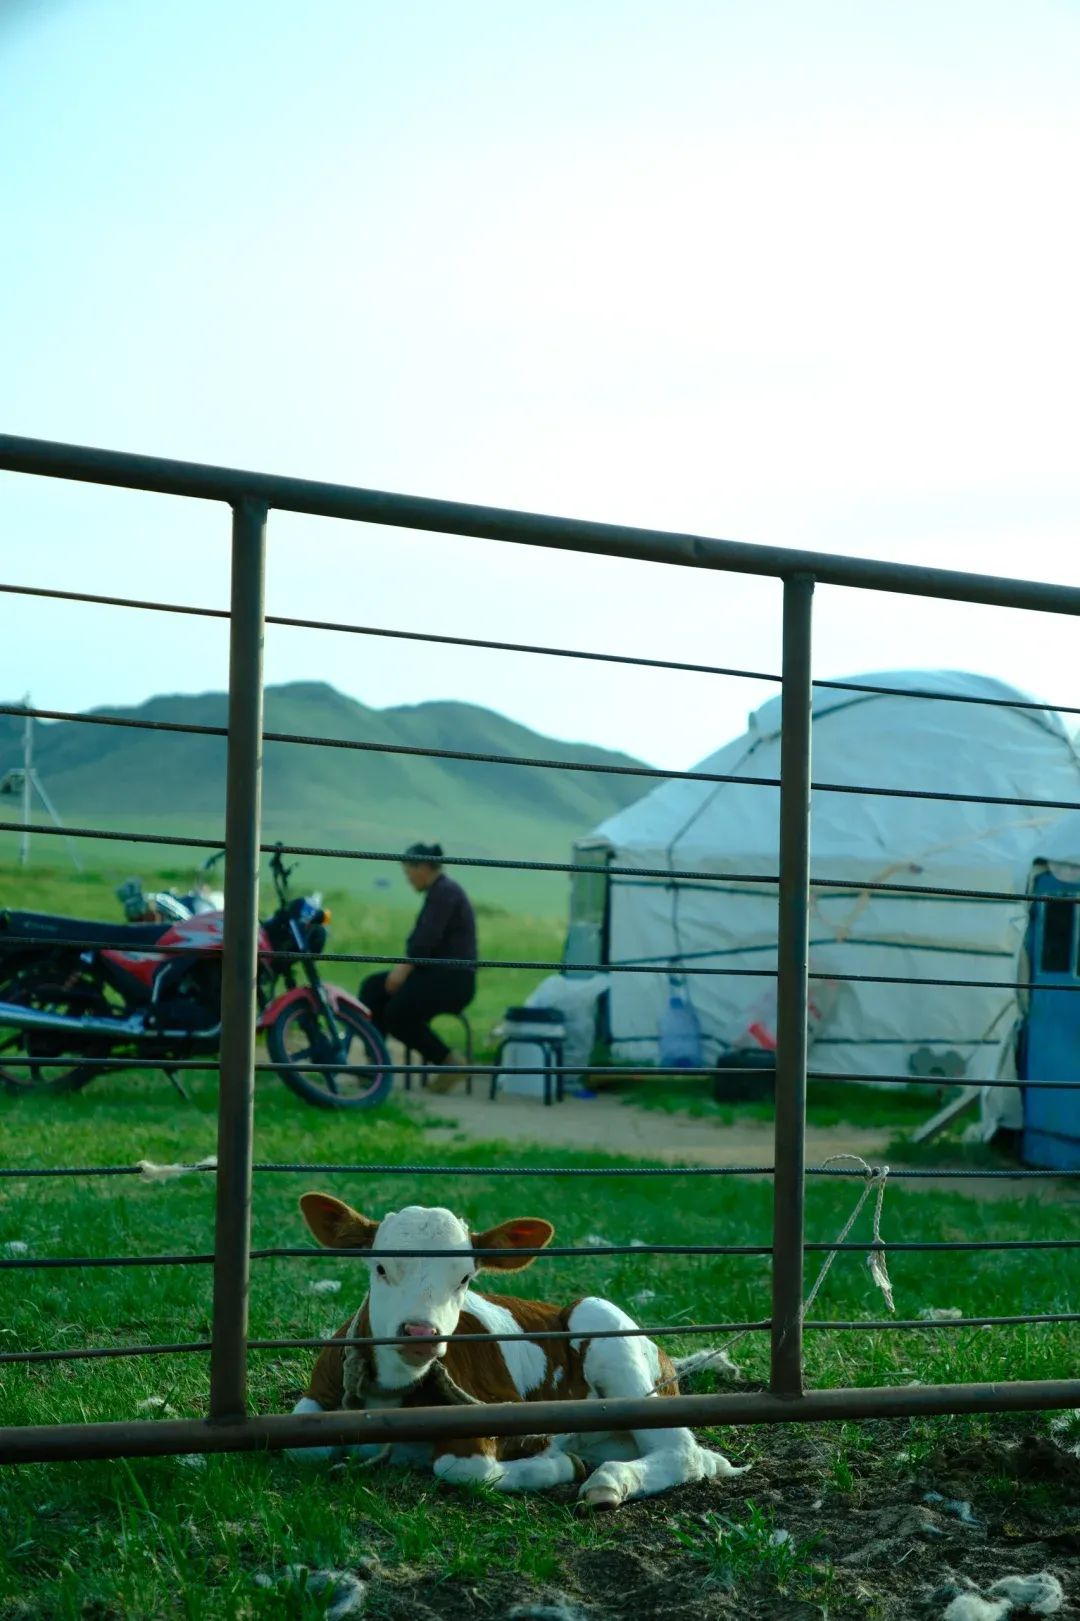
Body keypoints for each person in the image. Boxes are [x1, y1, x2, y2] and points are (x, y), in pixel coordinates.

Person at [360, 842, 477, 1093]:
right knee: (373, 989)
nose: (408, 880)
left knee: (398, 1014)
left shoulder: (444, 893)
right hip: (437, 975)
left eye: (408, 873)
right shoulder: (440, 891)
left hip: (452, 981)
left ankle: (449, 1061)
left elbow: (425, 940)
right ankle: (374, 1064)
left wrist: (402, 970)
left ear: (422, 867)